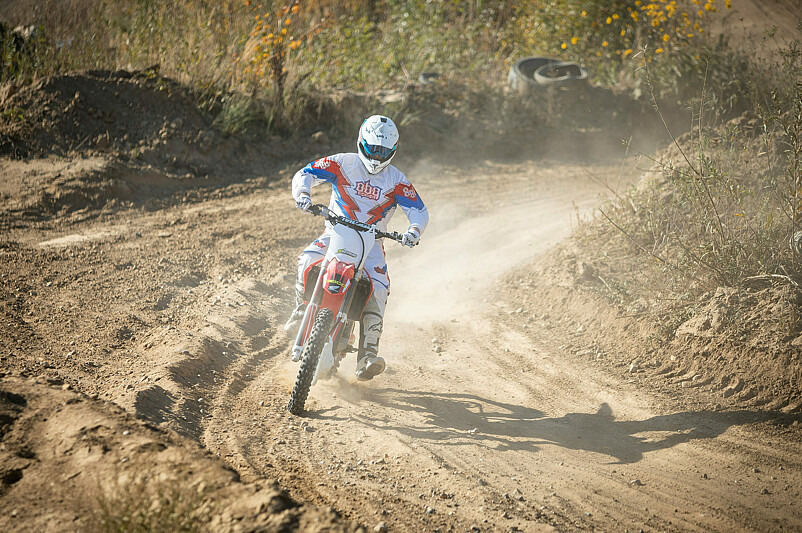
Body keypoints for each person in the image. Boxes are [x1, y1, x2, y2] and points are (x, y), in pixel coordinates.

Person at [286, 115, 429, 381]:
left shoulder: (397, 180)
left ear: (394, 150)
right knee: (306, 260)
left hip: (372, 242)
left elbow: (419, 210)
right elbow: (305, 174)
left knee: (380, 288)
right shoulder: (342, 162)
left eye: (383, 151)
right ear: (361, 142)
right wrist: (303, 196)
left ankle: (367, 355)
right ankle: (300, 308)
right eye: (373, 148)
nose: (377, 156)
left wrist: (413, 231)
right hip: (335, 231)